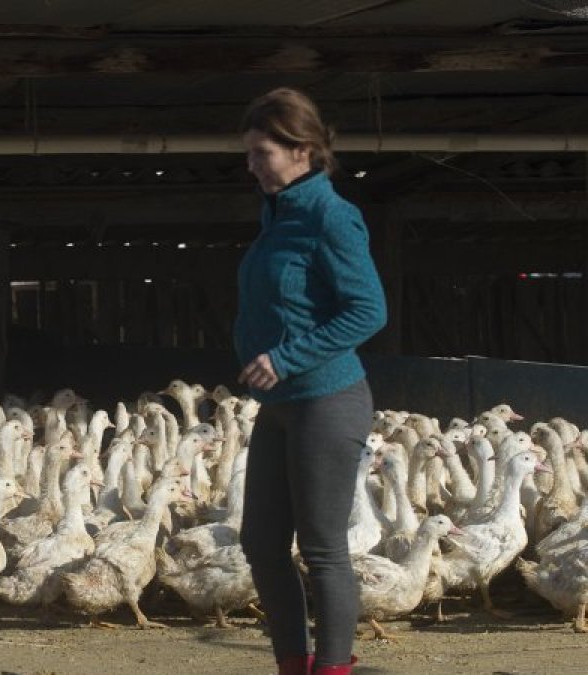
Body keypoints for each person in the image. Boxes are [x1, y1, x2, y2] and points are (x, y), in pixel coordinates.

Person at [234, 88, 387, 675]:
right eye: (248, 153)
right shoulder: (276, 215)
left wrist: (286, 356)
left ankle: (331, 669)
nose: (251, 165)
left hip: (327, 399)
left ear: (302, 150)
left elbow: (368, 310)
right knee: (261, 543)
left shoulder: (331, 216)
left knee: (323, 551)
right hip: (280, 405)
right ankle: (292, 665)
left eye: (261, 153)